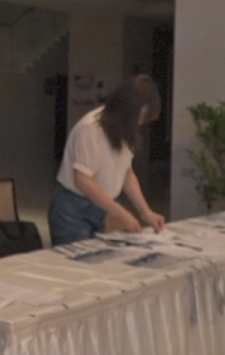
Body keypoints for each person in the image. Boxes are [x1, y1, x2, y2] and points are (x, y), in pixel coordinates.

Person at [47, 74, 166, 247]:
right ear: (127, 109)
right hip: (73, 209)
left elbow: (126, 172)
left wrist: (145, 212)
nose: (140, 123)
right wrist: (121, 213)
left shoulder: (124, 129)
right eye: (139, 117)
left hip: (100, 206)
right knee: (80, 260)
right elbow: (82, 180)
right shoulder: (91, 129)